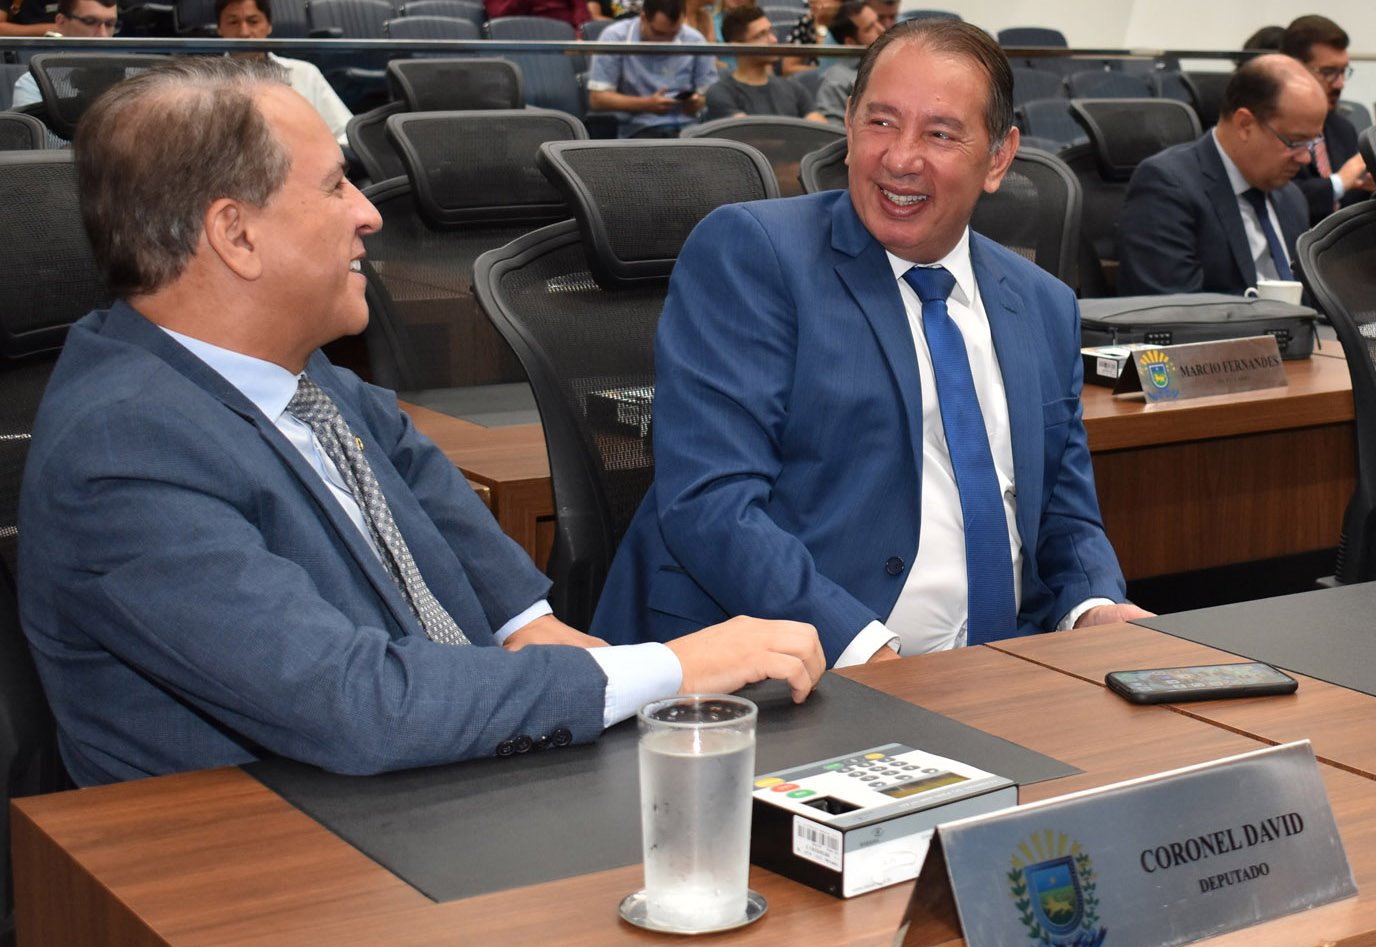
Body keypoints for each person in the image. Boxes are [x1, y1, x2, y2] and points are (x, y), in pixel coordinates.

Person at [18, 57, 825, 788]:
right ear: (236, 234)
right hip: (266, 847)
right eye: (335, 186)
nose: (368, 213)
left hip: (432, 787)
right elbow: (356, 704)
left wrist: (543, 633)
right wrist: (672, 667)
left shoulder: (310, 380)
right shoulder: (122, 449)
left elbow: (479, 568)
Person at [591, 20, 1148, 667]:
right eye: (880, 122)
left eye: (939, 134)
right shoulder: (754, 253)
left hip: (998, 668)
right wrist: (864, 652)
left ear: (998, 157)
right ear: (849, 127)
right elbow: (713, 504)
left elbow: (1063, 516)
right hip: (789, 670)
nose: (900, 157)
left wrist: (1095, 605)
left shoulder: (1043, 303)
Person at [1116, 54, 1326, 296]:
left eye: (1312, 143)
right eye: (1295, 142)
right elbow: (1174, 307)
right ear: (1245, 124)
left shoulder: (1291, 198)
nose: (1305, 158)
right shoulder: (1167, 187)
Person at [1281, 14, 1375, 225]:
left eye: (1343, 71)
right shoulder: (1271, 130)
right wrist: (1339, 182)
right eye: (1329, 72)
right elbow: (1278, 199)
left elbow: (1353, 202)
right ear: (1293, 69)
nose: (1340, 84)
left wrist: (1374, 186)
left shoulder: (1342, 128)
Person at [216, 0, 352, 145]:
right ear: (219, 28)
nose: (244, 32)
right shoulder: (206, 80)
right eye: (233, 22)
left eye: (253, 21)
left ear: (269, 25)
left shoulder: (305, 73)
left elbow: (345, 133)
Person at [586, 0, 717, 137]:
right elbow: (597, 99)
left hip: (690, 128)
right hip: (641, 129)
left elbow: (709, 93)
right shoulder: (615, 37)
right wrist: (645, 104)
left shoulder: (694, 40)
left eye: (674, 34)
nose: (667, 42)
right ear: (643, 18)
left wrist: (696, 102)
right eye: (659, 33)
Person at [704, 4, 826, 120]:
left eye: (771, 31)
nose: (773, 40)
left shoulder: (794, 88)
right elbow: (747, 131)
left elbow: (820, 128)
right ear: (737, 46)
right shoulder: (721, 93)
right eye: (761, 35)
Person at [9, 0, 117, 109]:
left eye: (110, 24)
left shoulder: (128, 75)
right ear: (61, 22)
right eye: (89, 22)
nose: (103, 35)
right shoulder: (36, 83)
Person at [813, 0, 882, 124]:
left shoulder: (898, 63)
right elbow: (833, 132)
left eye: (878, 21)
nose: (882, 29)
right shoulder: (836, 81)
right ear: (850, 42)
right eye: (869, 28)